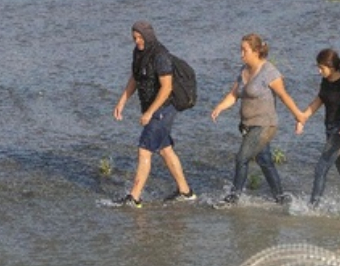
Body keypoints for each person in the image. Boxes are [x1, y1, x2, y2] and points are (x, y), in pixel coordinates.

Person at [210, 33, 306, 205]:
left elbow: (284, 96)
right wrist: (220, 107)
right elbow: (234, 94)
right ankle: (281, 198)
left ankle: (233, 198)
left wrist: (299, 116)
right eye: (240, 50)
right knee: (265, 160)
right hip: (247, 125)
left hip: (265, 125)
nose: (241, 54)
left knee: (242, 158)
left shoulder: (269, 72)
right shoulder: (243, 70)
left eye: (244, 50)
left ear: (256, 51)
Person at [112, 20, 196, 208]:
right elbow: (135, 78)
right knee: (165, 149)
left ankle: (134, 197)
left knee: (144, 149)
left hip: (164, 108)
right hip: (152, 108)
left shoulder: (160, 56)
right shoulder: (138, 53)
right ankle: (186, 192)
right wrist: (122, 101)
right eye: (134, 38)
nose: (137, 41)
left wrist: (149, 113)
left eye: (140, 37)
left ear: (148, 36)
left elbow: (166, 88)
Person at [296, 48, 340, 208]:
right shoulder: (326, 81)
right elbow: (318, 101)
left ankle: (312, 207)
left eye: (321, 68)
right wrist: (302, 119)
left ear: (332, 66)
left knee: (321, 168)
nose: (319, 71)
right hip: (329, 130)